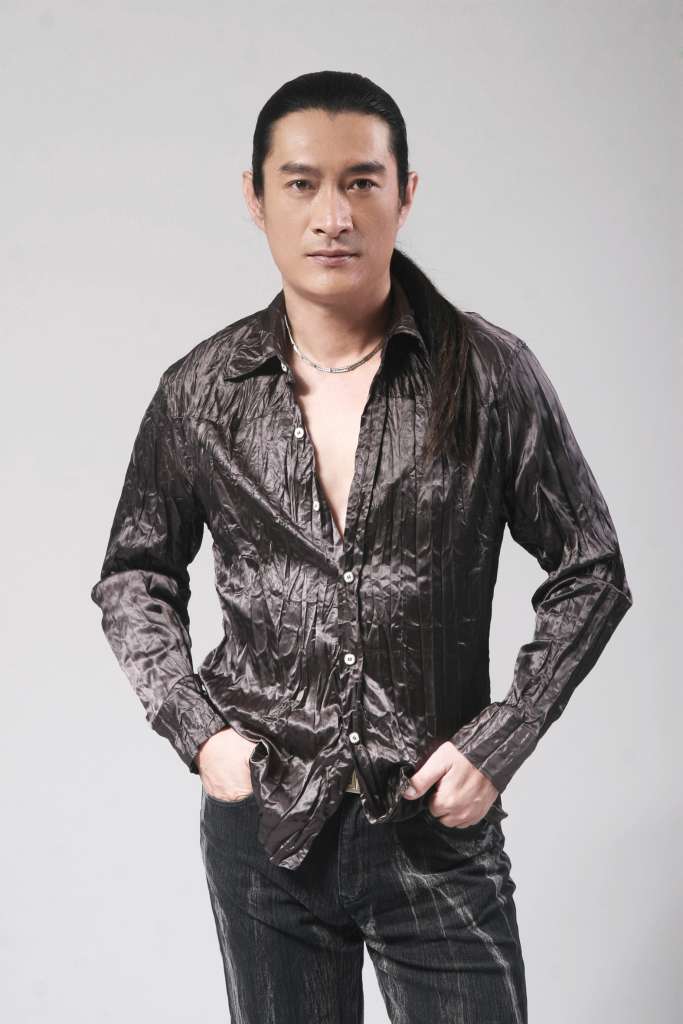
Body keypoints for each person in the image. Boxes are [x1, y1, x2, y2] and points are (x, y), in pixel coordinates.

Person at [90, 70, 633, 1023]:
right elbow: (135, 573)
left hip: (433, 827)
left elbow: (590, 567)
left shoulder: (488, 375)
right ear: (255, 197)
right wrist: (200, 733)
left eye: (360, 182)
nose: (332, 215)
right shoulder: (202, 392)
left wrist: (502, 736)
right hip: (265, 832)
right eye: (301, 184)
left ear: (404, 194)